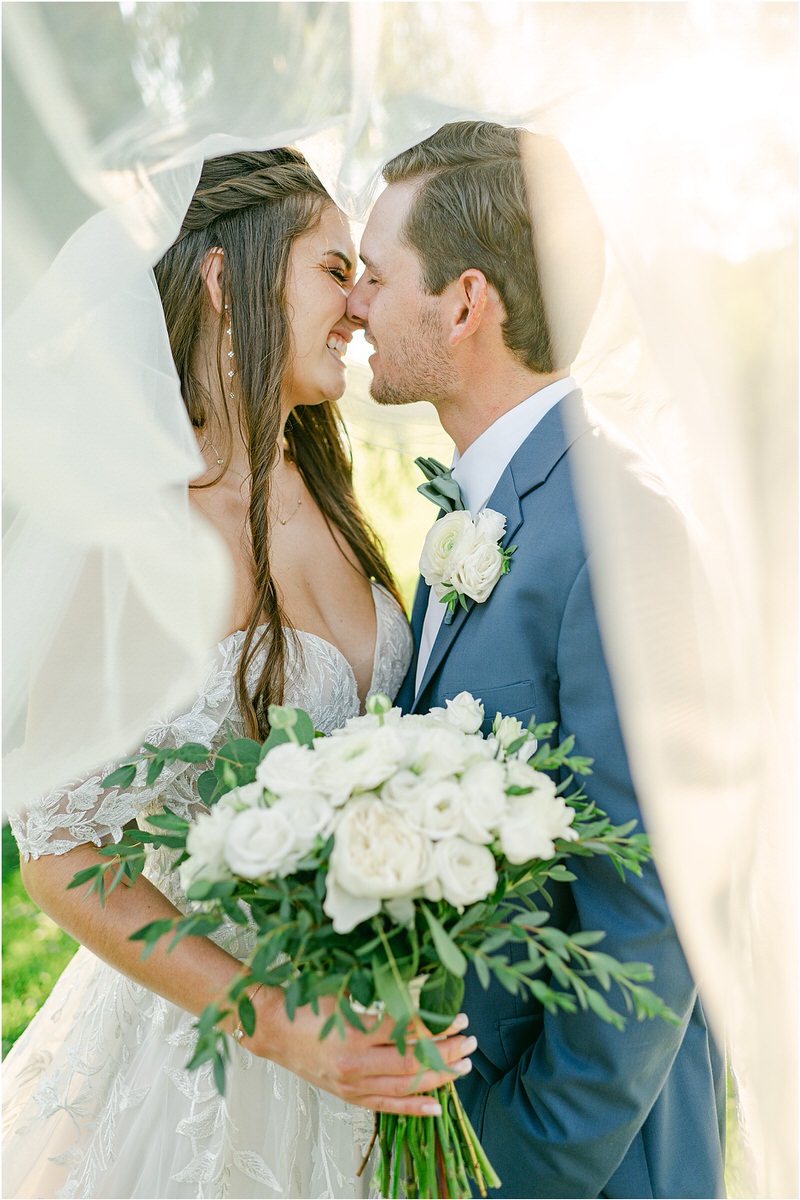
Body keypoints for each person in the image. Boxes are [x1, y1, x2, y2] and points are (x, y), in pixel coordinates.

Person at [1, 148, 475, 1200]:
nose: (361, 304)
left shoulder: (327, 485)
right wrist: (278, 1027)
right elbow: (58, 852)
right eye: (333, 269)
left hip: (374, 1027)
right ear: (224, 280)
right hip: (207, 1066)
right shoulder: (136, 540)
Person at [347, 121, 726, 1199]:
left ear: (464, 303)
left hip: (584, 1163)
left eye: (378, 275)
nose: (357, 304)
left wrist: (516, 1165)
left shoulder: (615, 527)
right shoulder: (475, 516)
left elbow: (653, 912)